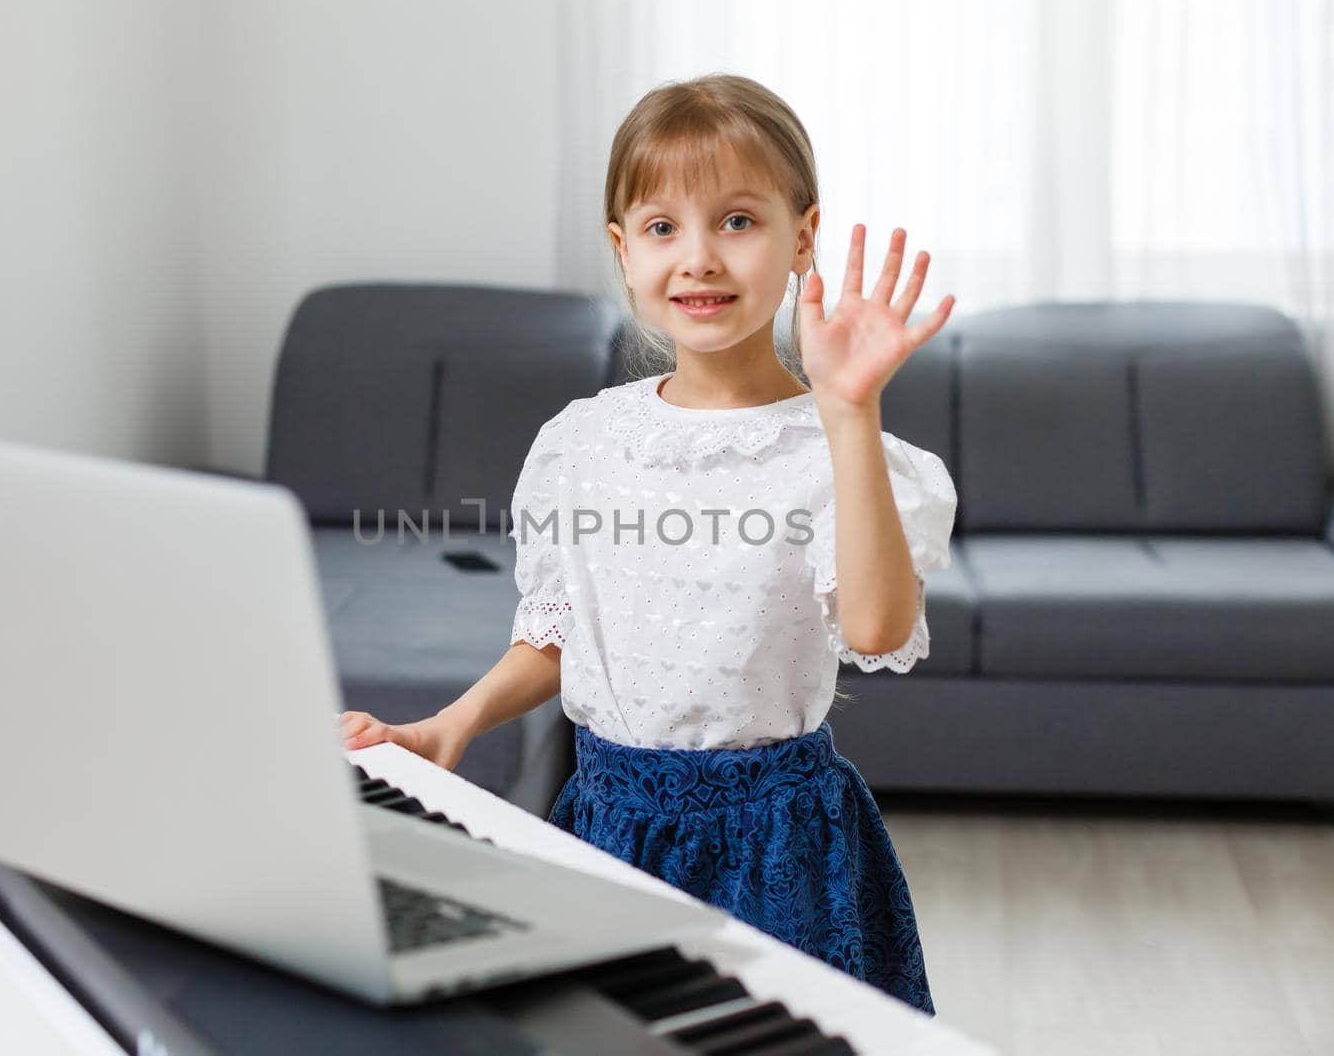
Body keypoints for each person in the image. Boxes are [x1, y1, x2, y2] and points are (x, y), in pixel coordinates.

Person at [341, 73, 957, 1016]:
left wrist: (850, 411)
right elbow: (557, 635)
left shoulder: (840, 442)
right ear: (622, 252)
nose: (700, 258)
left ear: (802, 235)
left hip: (783, 848)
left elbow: (876, 629)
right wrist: (447, 726)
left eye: (738, 221)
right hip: (602, 830)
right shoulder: (579, 441)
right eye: (663, 228)